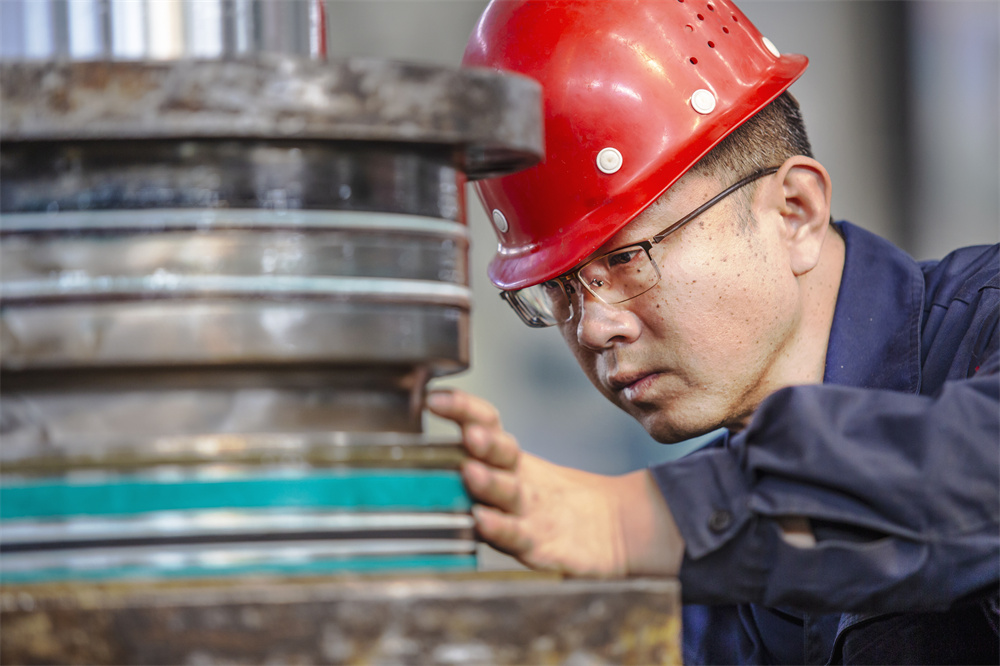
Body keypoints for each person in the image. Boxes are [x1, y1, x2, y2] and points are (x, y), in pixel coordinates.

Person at [426, 0, 999, 663]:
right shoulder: (701, 575)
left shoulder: (984, 329)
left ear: (795, 212)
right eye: (558, 289)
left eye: (625, 259)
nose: (595, 327)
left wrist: (631, 521)